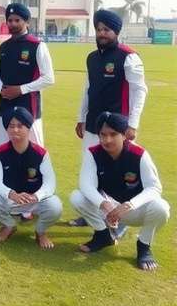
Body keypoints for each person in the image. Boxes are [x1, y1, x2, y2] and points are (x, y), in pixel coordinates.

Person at [71, 9, 148, 228]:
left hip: (117, 127)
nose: (102, 33)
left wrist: (133, 124)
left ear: (116, 31)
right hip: (93, 123)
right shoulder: (92, 58)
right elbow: (88, 89)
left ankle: (119, 218)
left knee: (117, 173)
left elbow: (140, 91)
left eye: (106, 29)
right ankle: (91, 214)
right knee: (91, 169)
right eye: (98, 29)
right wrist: (81, 117)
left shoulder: (129, 56)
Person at [70, 112, 169, 272]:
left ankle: (144, 246)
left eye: (113, 134)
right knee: (76, 197)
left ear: (124, 135)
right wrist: (105, 205)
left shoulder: (139, 154)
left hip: (134, 210)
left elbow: (154, 187)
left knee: (161, 208)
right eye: (103, 135)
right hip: (108, 210)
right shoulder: (93, 153)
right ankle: (103, 236)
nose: (107, 140)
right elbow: (86, 185)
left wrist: (129, 205)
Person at [0, 107, 62, 249]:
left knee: (55, 205)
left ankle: (40, 232)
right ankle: (9, 226)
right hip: (11, 199)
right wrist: (11, 194)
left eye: (20, 126)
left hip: (33, 200)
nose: (15, 130)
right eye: (11, 126)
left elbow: (50, 183)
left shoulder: (41, 153)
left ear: (29, 128)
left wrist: (36, 196)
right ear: (6, 129)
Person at [0, 3, 55, 146]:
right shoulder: (4, 47)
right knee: (2, 149)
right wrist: (1, 89)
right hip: (4, 105)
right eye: (10, 20)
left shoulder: (38, 46)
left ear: (27, 22)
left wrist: (20, 90)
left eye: (17, 20)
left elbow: (49, 78)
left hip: (29, 107)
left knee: (35, 151)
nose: (12, 23)